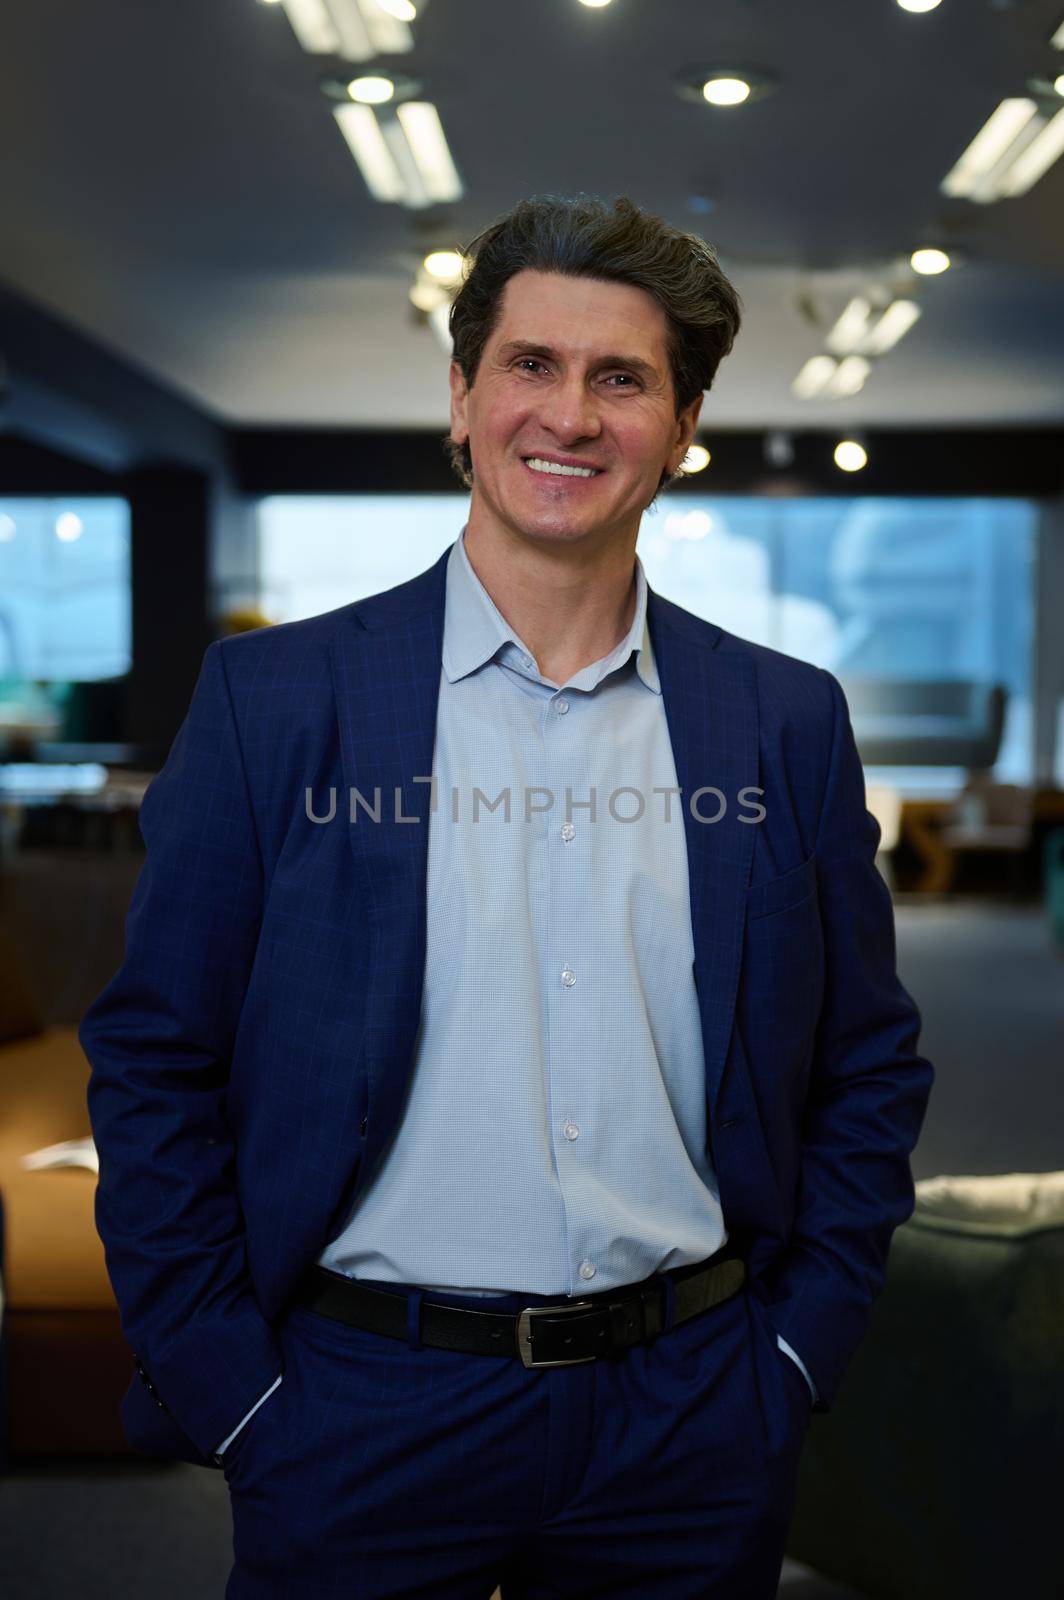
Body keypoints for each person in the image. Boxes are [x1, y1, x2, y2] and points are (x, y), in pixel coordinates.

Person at [81, 193, 934, 1599]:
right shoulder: (278, 703)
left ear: (683, 422)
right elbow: (157, 1059)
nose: (572, 416)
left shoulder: (782, 722)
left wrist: (793, 1356)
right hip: (355, 1408)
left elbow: (864, 1060)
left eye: (624, 379)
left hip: (691, 1412)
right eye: (532, 366)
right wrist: (235, 1389)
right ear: (464, 398)